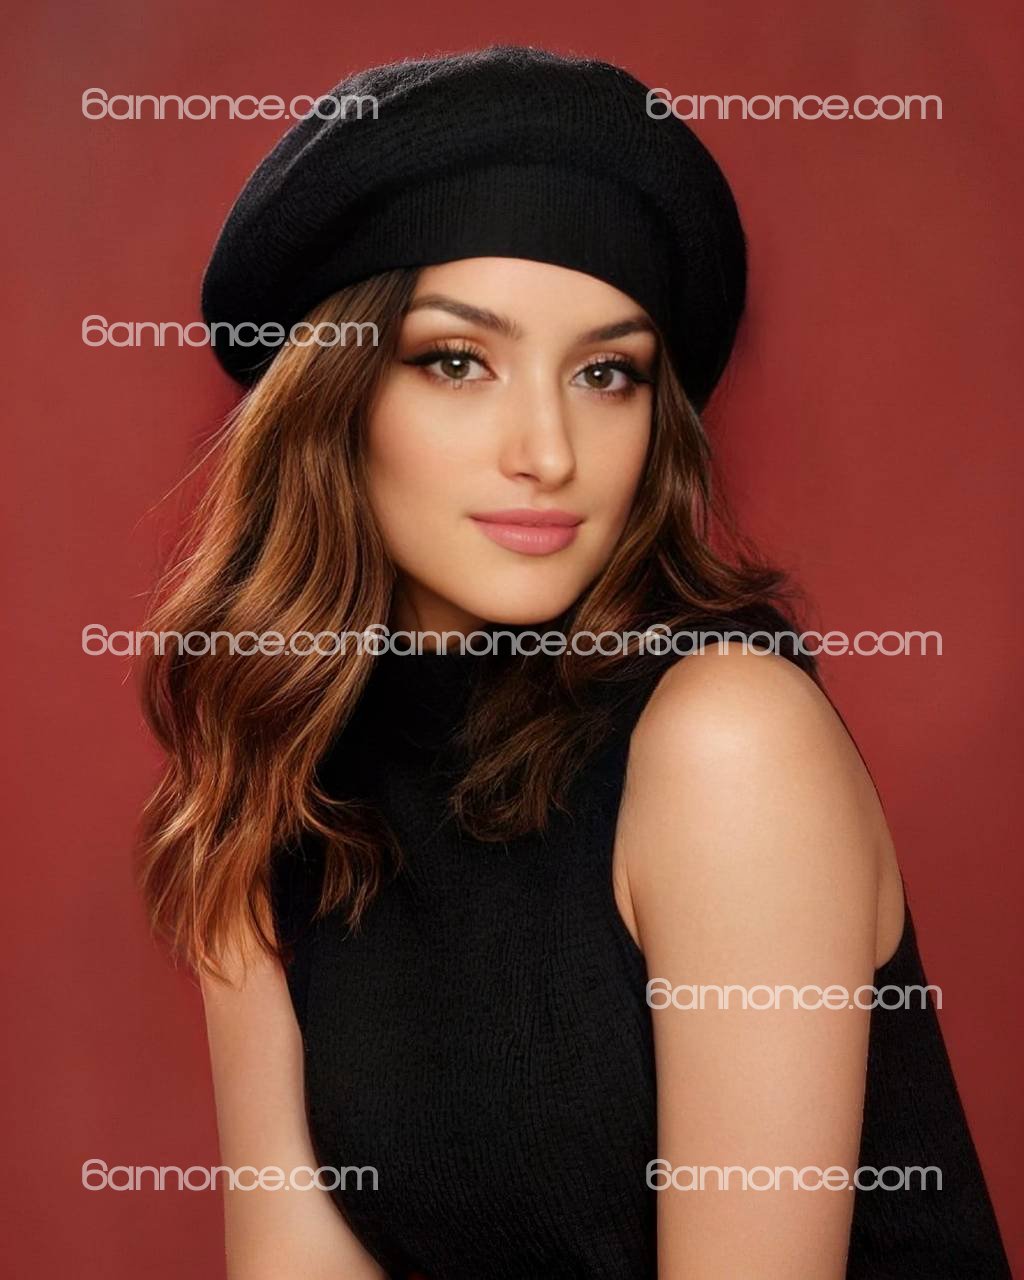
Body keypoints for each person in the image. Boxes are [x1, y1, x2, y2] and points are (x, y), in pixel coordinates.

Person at [138, 45, 1011, 1279]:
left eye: (607, 373)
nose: (547, 450)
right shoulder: (277, 770)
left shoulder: (724, 741)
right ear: (332, 399)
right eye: (456, 361)